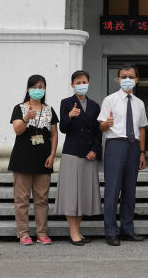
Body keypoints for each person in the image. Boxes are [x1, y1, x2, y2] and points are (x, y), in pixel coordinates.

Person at [98, 63, 148, 246]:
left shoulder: (140, 103)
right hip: (115, 145)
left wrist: (142, 152)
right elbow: (101, 126)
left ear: (137, 79)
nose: (127, 80)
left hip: (133, 146)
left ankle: (127, 229)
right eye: (124, 77)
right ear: (118, 79)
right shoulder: (110, 100)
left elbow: (142, 129)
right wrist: (107, 124)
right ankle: (111, 232)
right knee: (112, 190)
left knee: (130, 190)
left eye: (131, 77)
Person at [8, 74, 58, 246]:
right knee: (21, 199)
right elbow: (17, 130)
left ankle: (42, 233)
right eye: (35, 87)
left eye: (41, 87)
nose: (38, 90)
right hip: (22, 159)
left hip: (43, 160)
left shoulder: (49, 109)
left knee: (42, 199)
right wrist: (27, 118)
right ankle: (23, 233)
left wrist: (52, 155)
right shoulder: (19, 108)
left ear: (45, 89)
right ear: (28, 89)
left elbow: (54, 134)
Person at [55, 69, 103, 245]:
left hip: (89, 155)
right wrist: (69, 116)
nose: (81, 85)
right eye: (78, 82)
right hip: (72, 153)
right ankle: (73, 232)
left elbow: (98, 132)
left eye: (84, 82)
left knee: (83, 193)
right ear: (72, 85)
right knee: (71, 194)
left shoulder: (95, 106)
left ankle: (78, 230)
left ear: (89, 83)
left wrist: (96, 150)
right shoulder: (66, 103)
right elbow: (63, 129)